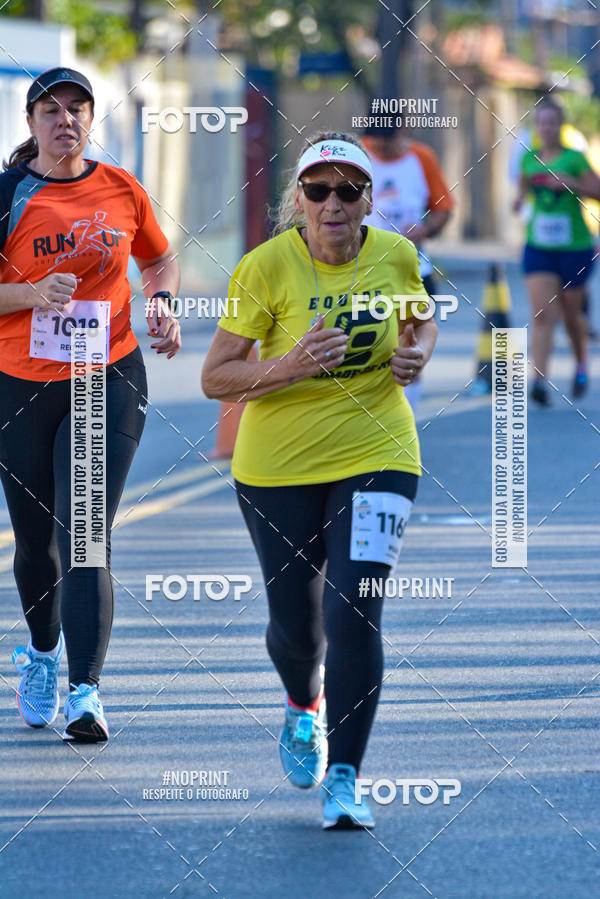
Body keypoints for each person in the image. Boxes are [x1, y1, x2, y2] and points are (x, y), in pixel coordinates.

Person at [202, 131, 437, 829]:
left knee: (355, 608)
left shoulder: (396, 256)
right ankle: (303, 705)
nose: (333, 203)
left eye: (349, 190)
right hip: (276, 467)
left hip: (380, 449)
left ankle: (346, 777)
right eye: (318, 190)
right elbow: (217, 376)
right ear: (297, 200)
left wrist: (415, 355)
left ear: (369, 200)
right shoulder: (266, 267)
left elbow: (420, 324)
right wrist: (292, 365)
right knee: (297, 631)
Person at [1, 67, 181, 742]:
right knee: (35, 541)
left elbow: (159, 261)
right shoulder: (9, 194)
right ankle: (42, 654)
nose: (65, 120)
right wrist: (29, 294)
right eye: (52, 109)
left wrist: (161, 302)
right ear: (32, 123)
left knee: (85, 533)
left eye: (77, 108)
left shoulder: (121, 187)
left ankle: (86, 692)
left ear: (89, 119)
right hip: (18, 384)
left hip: (104, 374)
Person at [513, 99, 600, 405]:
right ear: (536, 127)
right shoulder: (529, 159)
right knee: (541, 313)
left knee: (571, 315)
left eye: (552, 123)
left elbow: (598, 191)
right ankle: (539, 380)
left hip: (575, 248)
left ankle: (580, 365)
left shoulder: (575, 159)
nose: (546, 128)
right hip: (538, 246)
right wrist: (518, 200)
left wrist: (573, 183)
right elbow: (523, 188)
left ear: (560, 126)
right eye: (541, 123)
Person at [361, 122, 452, 411]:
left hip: (412, 267)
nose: (380, 148)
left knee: (410, 341)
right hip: (364, 267)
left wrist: (425, 230)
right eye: (375, 142)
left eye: (386, 141)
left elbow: (444, 209)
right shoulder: (358, 154)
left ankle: (406, 415)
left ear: (401, 130)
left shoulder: (421, 158)